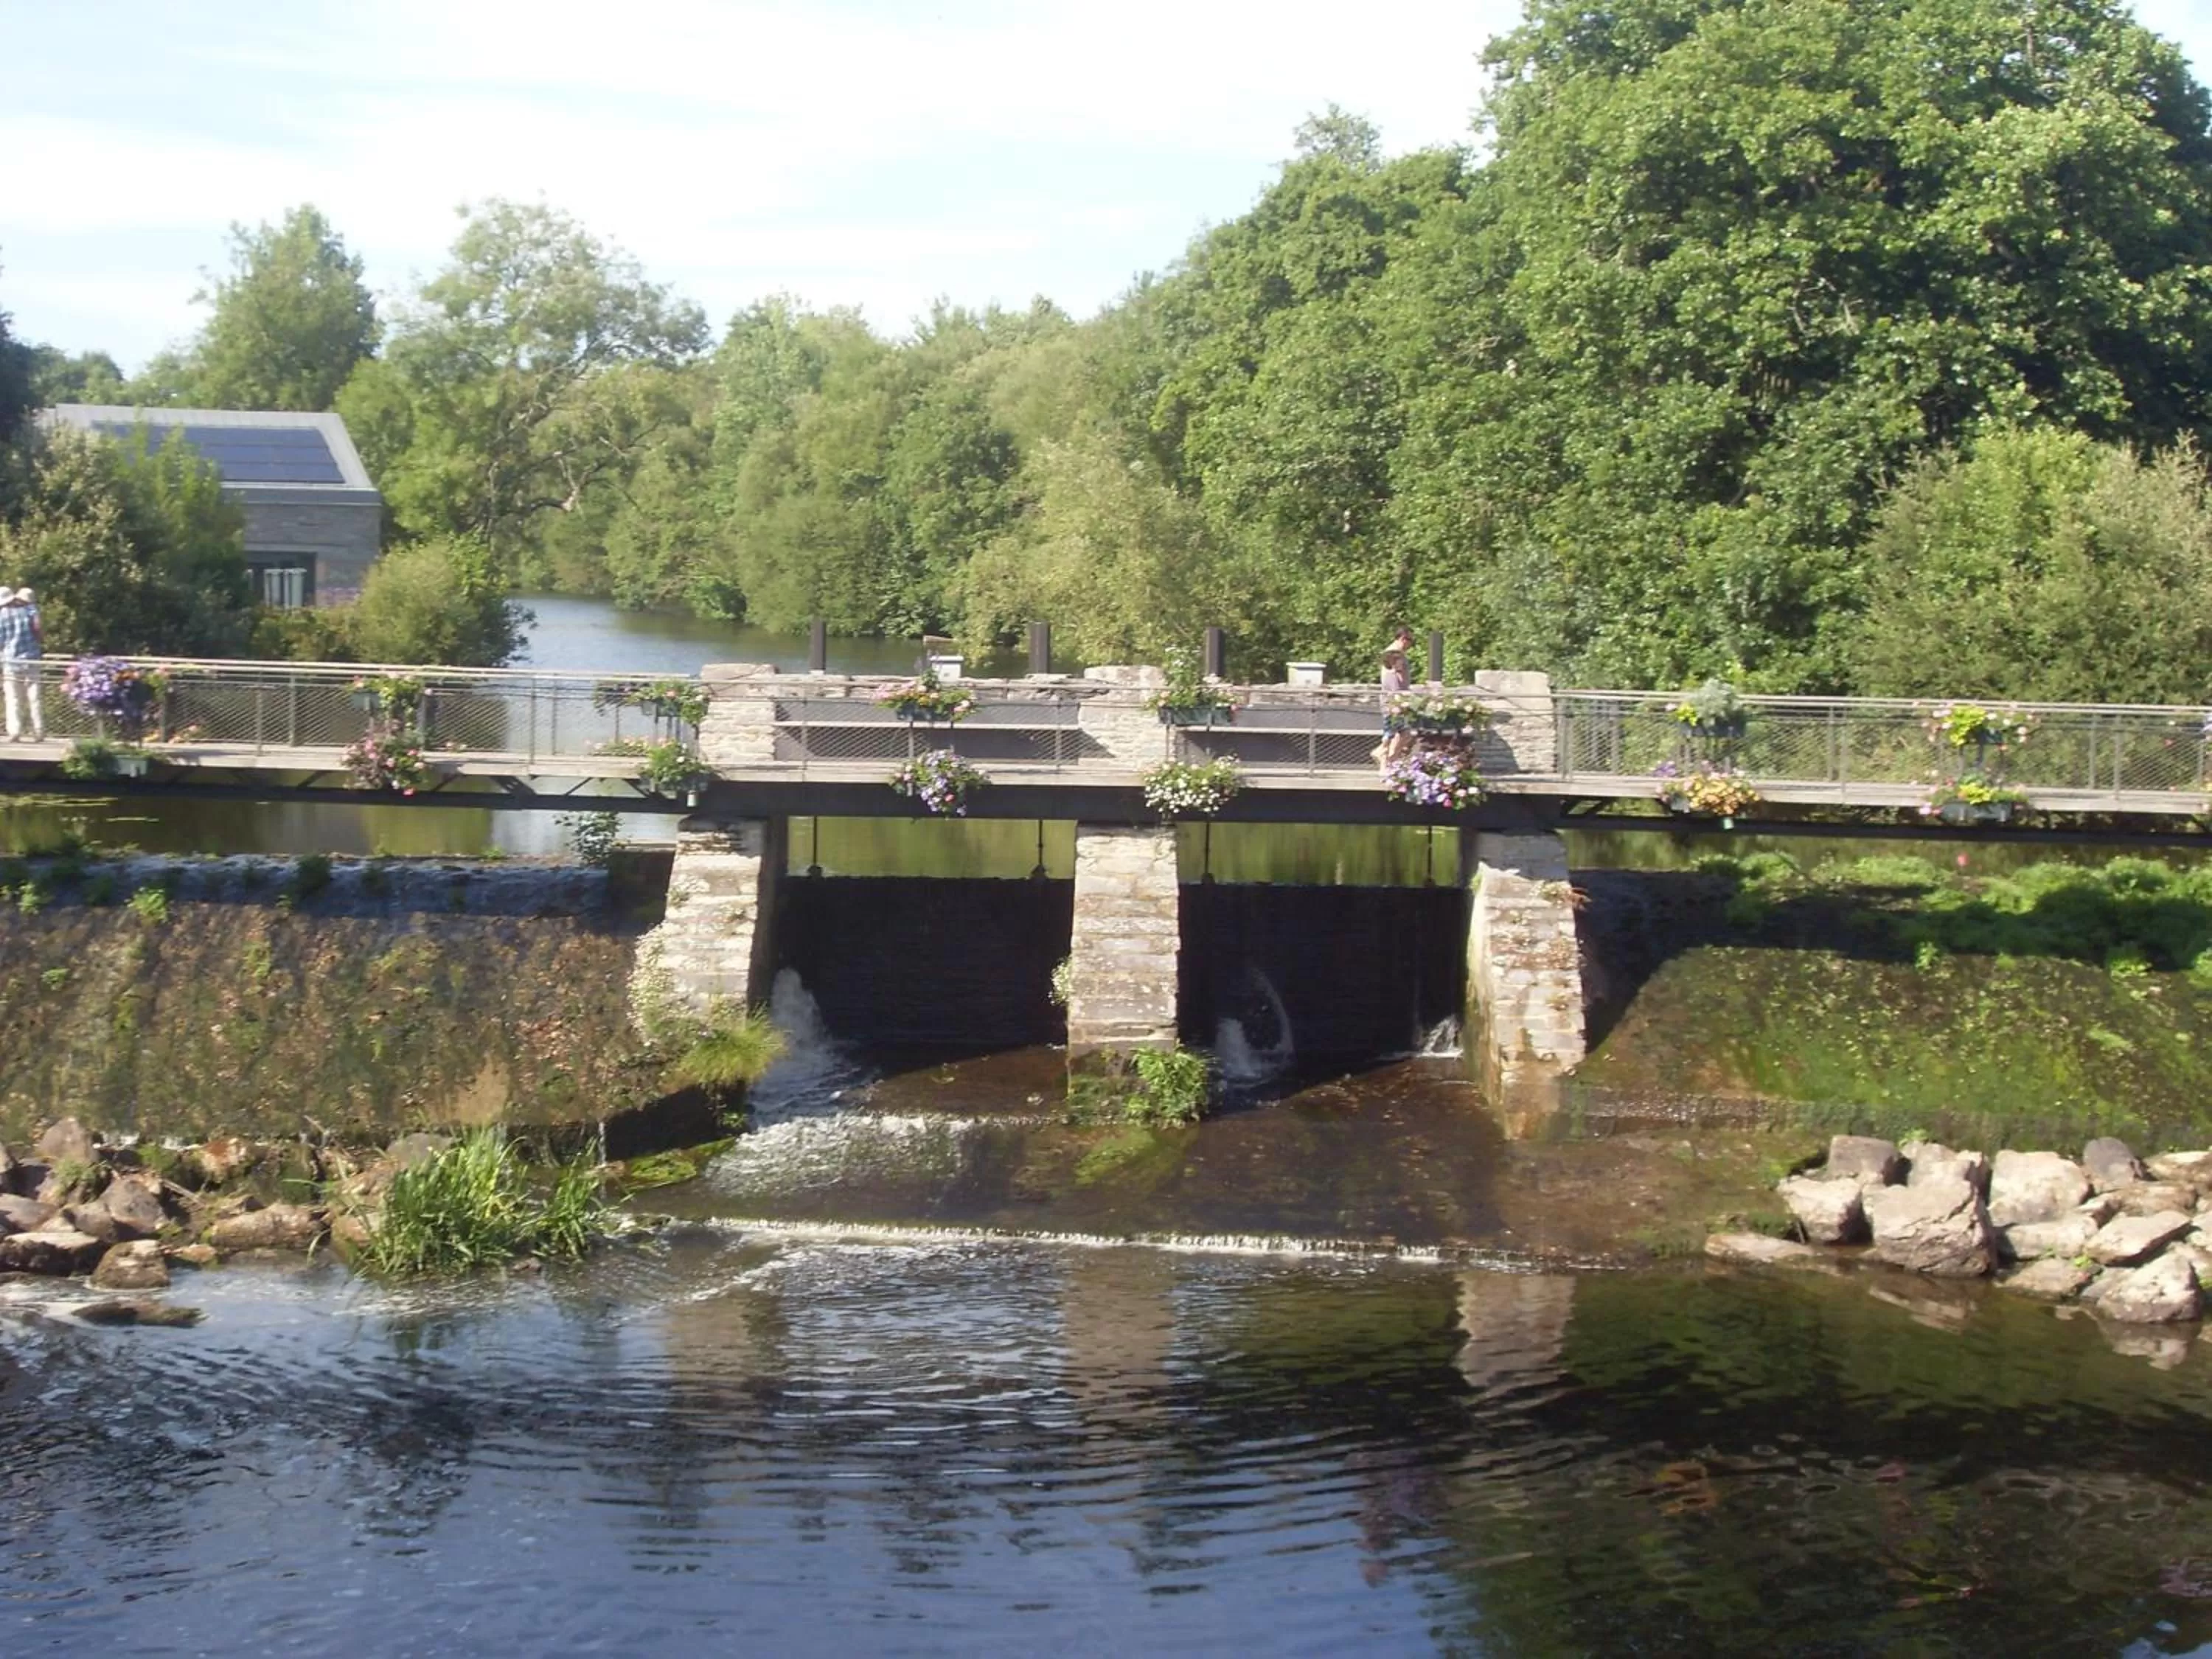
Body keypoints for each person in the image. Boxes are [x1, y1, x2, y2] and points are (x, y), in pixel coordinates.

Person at [0, 586, 43, 742]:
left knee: (13, 698)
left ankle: (15, 731)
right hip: (32, 659)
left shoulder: (1, 616)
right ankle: (38, 731)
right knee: (34, 696)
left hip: (11, 661)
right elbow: (38, 631)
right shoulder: (28, 611)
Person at [1375, 644, 1412, 771]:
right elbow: (1396, 694)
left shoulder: (1399, 676)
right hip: (1392, 711)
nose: (1402, 664)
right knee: (1389, 737)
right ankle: (1384, 762)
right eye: (1399, 661)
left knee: (1405, 734)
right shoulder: (1391, 676)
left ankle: (1392, 760)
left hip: (1399, 710)